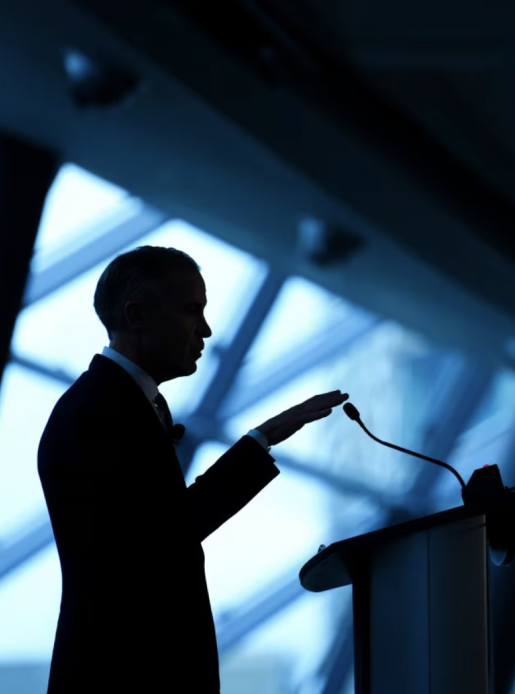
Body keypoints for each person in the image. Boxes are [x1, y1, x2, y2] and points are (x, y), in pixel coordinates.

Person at [38, 245, 348, 693]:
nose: (205, 330)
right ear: (137, 314)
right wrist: (263, 438)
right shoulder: (98, 411)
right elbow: (162, 536)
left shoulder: (113, 404)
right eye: (191, 310)